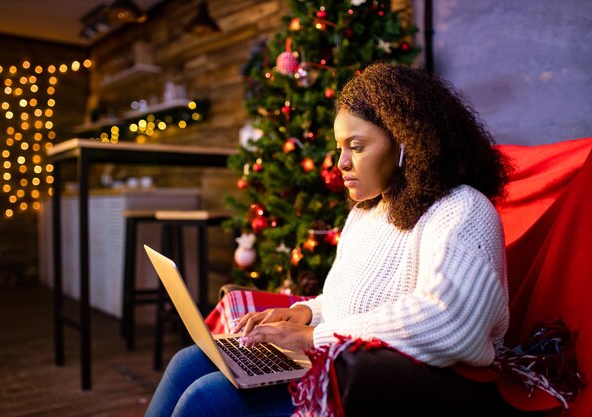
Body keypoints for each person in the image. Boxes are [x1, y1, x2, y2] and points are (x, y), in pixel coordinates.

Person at [145, 63, 534, 417]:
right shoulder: (367, 212)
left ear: (406, 143)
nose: (341, 163)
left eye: (357, 147)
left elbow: (451, 322)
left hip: (411, 387)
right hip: (345, 366)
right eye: (339, 148)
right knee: (189, 361)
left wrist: (312, 336)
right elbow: (353, 302)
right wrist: (305, 313)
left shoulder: (463, 209)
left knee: (207, 398)